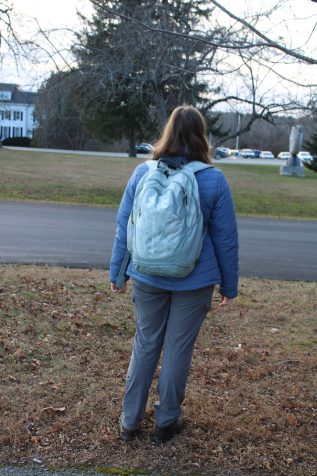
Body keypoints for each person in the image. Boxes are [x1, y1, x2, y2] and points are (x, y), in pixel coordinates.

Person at [110, 105, 239, 444]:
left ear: (168, 132)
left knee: (145, 345)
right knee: (178, 349)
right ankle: (166, 422)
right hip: (194, 280)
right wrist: (229, 283)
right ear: (202, 136)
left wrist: (117, 271)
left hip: (146, 274)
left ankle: (129, 421)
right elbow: (225, 238)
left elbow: (125, 226)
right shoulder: (212, 179)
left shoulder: (143, 173)